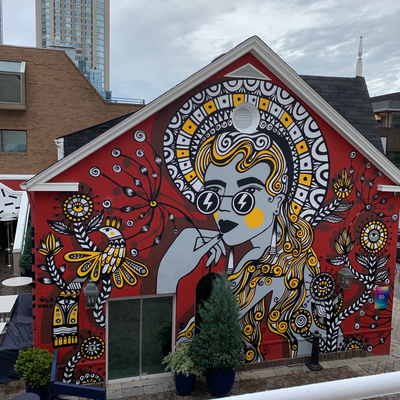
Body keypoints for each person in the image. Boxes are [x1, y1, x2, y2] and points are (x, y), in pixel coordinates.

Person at [157, 126, 320, 362]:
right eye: (215, 191)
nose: (225, 207)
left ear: (276, 200)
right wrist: (168, 271)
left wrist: (168, 277)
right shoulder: (247, 259)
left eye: (247, 191)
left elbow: (197, 341)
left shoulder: (285, 267)